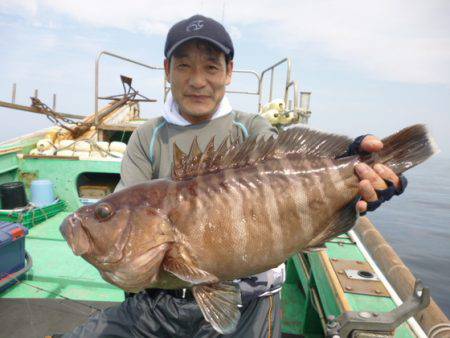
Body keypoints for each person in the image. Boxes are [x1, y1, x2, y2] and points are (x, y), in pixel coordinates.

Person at [62, 14, 406, 338]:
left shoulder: (251, 129)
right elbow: (132, 260)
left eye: (211, 67)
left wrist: (353, 164)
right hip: (160, 303)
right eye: (184, 66)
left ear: (229, 72)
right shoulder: (147, 137)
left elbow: (289, 177)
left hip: (253, 299)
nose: (198, 81)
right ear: (168, 70)